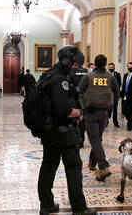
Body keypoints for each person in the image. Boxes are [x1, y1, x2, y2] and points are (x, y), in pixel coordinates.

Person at [38, 45, 97, 215]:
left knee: (48, 167)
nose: (76, 69)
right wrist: (79, 113)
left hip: (49, 131)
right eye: (76, 65)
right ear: (68, 62)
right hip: (63, 132)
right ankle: (79, 209)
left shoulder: (48, 74)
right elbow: (63, 109)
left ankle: (47, 205)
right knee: (74, 167)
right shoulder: (59, 80)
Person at [78, 54, 119, 181]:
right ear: (106, 64)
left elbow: (79, 92)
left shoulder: (88, 77)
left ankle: (103, 166)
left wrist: (83, 108)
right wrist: (110, 107)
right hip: (104, 113)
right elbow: (117, 94)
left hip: (90, 113)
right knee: (97, 138)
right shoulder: (110, 77)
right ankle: (92, 163)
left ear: (94, 64)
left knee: (95, 139)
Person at [68, 60, 88, 146]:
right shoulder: (86, 72)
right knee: (82, 120)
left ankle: (74, 139)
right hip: (84, 100)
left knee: (74, 119)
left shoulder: (71, 72)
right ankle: (82, 140)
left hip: (74, 99)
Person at [107, 63, 121, 128]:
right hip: (107, 96)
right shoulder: (105, 74)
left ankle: (115, 123)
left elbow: (119, 85)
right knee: (107, 109)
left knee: (115, 109)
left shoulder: (117, 75)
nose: (111, 68)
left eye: (112, 67)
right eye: (110, 67)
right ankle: (106, 122)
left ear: (114, 67)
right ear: (108, 67)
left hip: (114, 95)